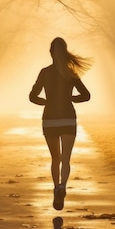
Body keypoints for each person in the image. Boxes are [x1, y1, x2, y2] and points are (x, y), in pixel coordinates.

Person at [29, 37, 91, 210]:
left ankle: (56, 187)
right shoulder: (71, 73)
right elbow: (86, 95)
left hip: (49, 119)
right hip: (68, 118)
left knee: (55, 158)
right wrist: (70, 98)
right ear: (65, 52)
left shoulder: (44, 72)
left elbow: (32, 96)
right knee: (66, 158)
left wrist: (46, 102)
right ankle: (63, 185)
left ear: (50, 52)